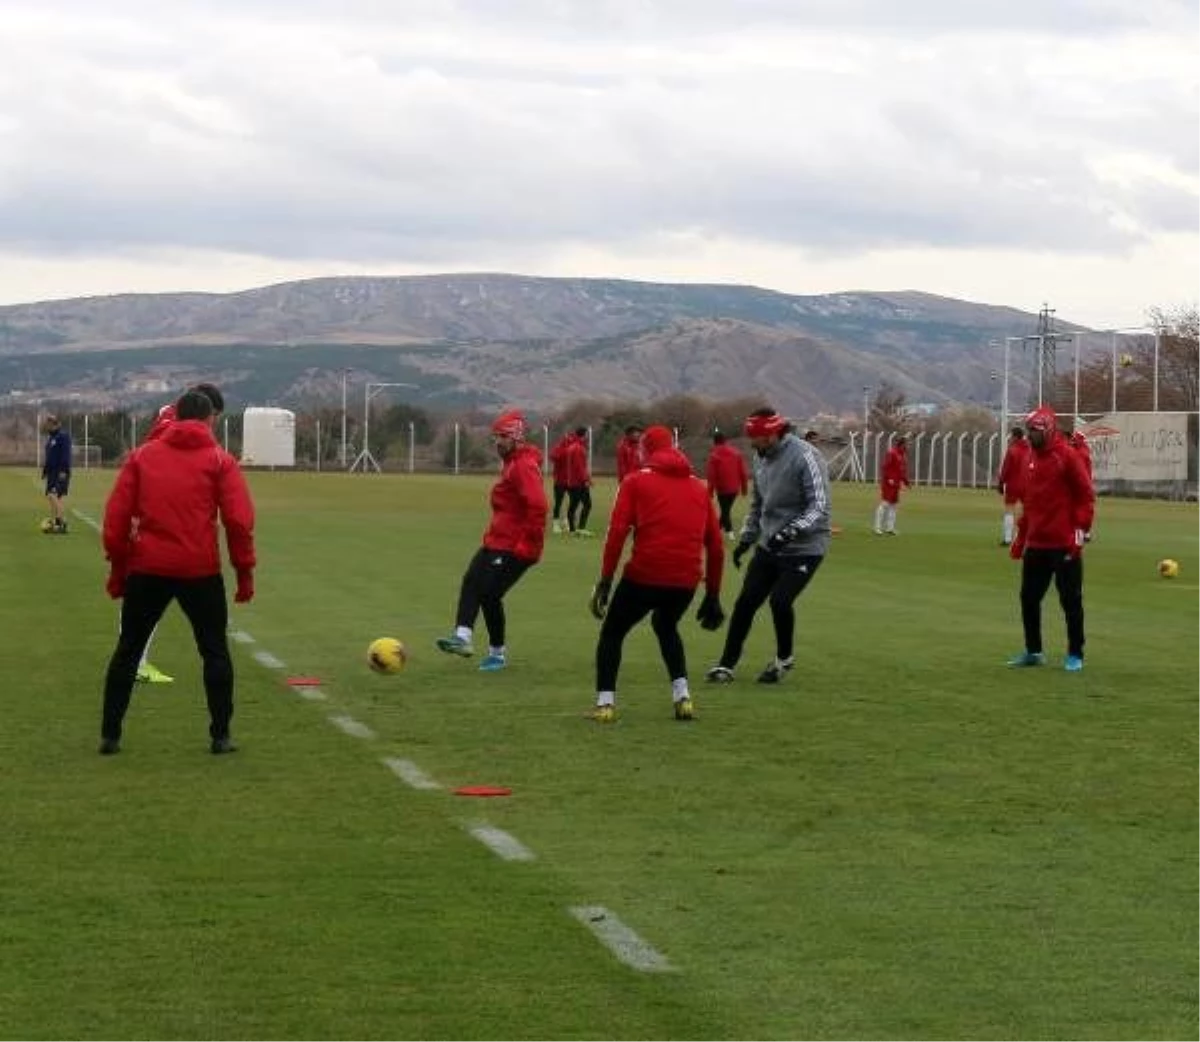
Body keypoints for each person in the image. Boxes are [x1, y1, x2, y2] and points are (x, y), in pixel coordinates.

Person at [98, 390, 256, 755]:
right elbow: (238, 521)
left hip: (148, 567)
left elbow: (116, 519)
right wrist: (244, 574)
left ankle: (110, 735)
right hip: (199, 570)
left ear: (174, 415)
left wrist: (118, 568)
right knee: (214, 651)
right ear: (209, 420)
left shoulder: (142, 457)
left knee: (128, 650)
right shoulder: (220, 461)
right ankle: (221, 735)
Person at [588, 425, 726, 723]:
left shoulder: (635, 482)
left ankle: (605, 704)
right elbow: (715, 546)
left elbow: (617, 534)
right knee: (665, 626)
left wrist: (606, 580)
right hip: (686, 580)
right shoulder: (699, 487)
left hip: (645, 574)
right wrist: (713, 594)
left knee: (612, 633)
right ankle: (683, 697)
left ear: (646, 450)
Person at [705, 408, 831, 685]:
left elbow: (819, 506)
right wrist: (747, 539)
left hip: (805, 547)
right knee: (746, 603)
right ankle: (727, 665)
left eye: (759, 437)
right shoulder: (761, 458)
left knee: (780, 601)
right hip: (769, 544)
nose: (754, 442)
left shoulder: (806, 456)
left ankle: (783, 660)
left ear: (774, 433)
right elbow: (759, 504)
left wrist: (791, 531)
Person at [130, 381, 228, 684]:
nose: (214, 424)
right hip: (160, 525)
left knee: (144, 597)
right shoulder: (173, 426)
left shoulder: (169, 416)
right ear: (208, 411)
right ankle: (136, 662)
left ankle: (135, 659)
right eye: (216, 417)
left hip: (150, 518)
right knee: (148, 598)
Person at [436, 409, 548, 671]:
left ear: (516, 438)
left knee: (489, 594)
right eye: (496, 437)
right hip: (497, 540)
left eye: (502, 437)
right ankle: (462, 637)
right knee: (471, 581)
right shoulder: (512, 463)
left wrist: (526, 545)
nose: (497, 442)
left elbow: (538, 506)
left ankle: (497, 653)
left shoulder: (523, 466)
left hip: (516, 546)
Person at [1007, 406, 1095, 673]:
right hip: (1038, 542)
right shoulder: (1029, 458)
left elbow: (1085, 496)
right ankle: (1034, 651)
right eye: (1029, 430)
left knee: (1070, 600)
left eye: (1034, 431)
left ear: (1047, 429)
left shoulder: (1066, 456)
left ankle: (1075, 653)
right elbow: (1030, 502)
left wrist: (1079, 534)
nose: (1029, 435)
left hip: (1064, 542)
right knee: (1028, 598)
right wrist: (1021, 538)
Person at [705, 431, 749, 541]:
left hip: (722, 488)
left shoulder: (714, 455)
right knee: (726, 510)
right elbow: (743, 472)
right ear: (726, 441)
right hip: (734, 488)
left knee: (725, 511)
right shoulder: (736, 453)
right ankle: (716, 531)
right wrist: (744, 488)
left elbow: (711, 475)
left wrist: (710, 491)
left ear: (714, 442)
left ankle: (730, 533)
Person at [996, 426, 1030, 546]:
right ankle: (1021, 538)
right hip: (1027, 484)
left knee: (1009, 510)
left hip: (1013, 484)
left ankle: (1007, 538)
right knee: (1024, 512)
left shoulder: (1012, 450)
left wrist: (1001, 482)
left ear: (1015, 437)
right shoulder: (1030, 449)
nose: (1010, 438)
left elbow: (1006, 468)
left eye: (1011, 436)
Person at [873, 433, 910, 535]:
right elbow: (885, 467)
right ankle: (877, 527)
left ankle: (890, 528)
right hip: (888, 483)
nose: (908, 446)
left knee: (894, 506)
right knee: (885, 504)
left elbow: (901, 470)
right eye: (907, 444)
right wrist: (889, 478)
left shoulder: (902, 455)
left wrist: (906, 481)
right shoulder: (892, 453)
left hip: (896, 484)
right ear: (902, 444)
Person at [41, 414, 72, 533]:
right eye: (47, 424)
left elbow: (65, 455)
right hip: (52, 473)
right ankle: (55, 522)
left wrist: (64, 471)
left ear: (56, 424)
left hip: (60, 471)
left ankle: (61, 523)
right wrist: (45, 471)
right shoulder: (51, 438)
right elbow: (50, 457)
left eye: (50, 424)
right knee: (54, 497)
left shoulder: (63, 436)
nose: (48, 426)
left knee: (52, 495)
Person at [561, 426, 593, 535]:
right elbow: (580, 467)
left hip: (571, 482)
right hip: (578, 483)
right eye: (587, 435)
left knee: (573, 505)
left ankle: (572, 529)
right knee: (587, 504)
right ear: (584, 435)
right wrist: (586, 480)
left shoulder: (572, 447)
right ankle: (580, 528)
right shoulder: (579, 448)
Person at [548, 430, 572, 534]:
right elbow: (553, 457)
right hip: (560, 481)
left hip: (572, 481)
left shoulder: (573, 448)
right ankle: (556, 524)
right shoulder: (559, 448)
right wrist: (562, 448)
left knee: (572, 503)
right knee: (558, 503)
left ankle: (567, 522)